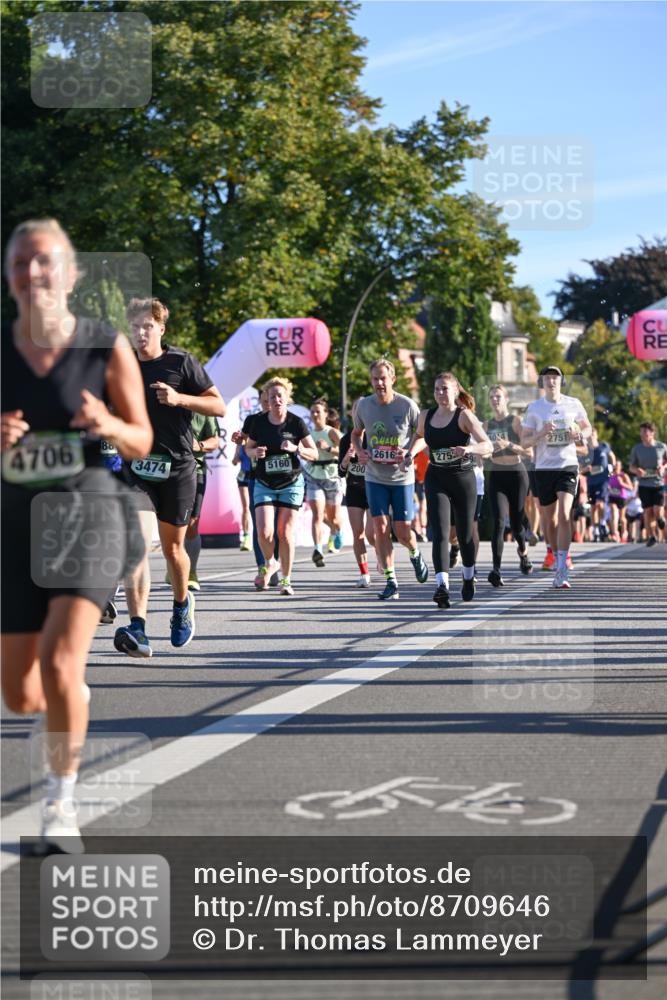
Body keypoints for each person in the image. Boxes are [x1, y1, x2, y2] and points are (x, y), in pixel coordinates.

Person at [1, 218, 152, 852]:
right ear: (10, 276)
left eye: (45, 261)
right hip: (14, 521)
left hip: (88, 512)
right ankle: (68, 696)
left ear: (71, 274)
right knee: (20, 693)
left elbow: (141, 438)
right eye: (20, 263)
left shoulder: (104, 346)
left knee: (63, 663)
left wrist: (108, 422)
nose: (33, 272)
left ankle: (59, 809)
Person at [114, 298, 225, 656]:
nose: (140, 332)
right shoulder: (123, 364)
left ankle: (181, 604)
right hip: (137, 470)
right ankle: (138, 628)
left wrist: (179, 399)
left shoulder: (181, 362)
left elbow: (218, 405)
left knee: (173, 550)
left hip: (178, 468)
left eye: (147, 326)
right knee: (136, 546)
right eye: (135, 326)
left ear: (161, 328)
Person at [408, 372, 492, 607]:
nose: (440, 393)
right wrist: (410, 453)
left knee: (464, 535)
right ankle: (442, 586)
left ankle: (468, 576)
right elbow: (420, 437)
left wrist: (468, 450)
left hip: (462, 477)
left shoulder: (464, 416)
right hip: (436, 477)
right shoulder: (426, 416)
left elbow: (488, 445)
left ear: (455, 391)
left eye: (445, 388)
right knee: (440, 533)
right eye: (437, 389)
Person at [351, 359, 429, 601]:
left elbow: (423, 436)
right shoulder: (364, 405)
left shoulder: (407, 406)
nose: (379, 383)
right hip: (375, 477)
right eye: (375, 379)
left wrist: (410, 453)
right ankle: (390, 580)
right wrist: (360, 450)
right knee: (380, 528)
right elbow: (356, 433)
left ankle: (415, 553)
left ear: (392, 379)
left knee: (403, 532)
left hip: (402, 478)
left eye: (383, 378)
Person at [244, 377, 318, 595]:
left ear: (287, 399)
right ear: (266, 398)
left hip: (291, 483)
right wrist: (254, 453)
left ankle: (286, 580)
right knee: (264, 532)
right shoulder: (258, 422)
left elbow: (313, 453)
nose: (276, 399)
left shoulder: (296, 423)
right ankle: (270, 561)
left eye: (280, 396)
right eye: (272, 396)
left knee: (284, 533)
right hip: (264, 482)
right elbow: (248, 448)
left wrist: (296, 449)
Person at [521, 366, 592, 590]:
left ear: (561, 380)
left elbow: (588, 428)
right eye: (548, 378)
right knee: (549, 521)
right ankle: (553, 551)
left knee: (564, 514)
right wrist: (541, 434)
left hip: (568, 465)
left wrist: (579, 435)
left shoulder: (573, 403)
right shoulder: (534, 408)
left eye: (555, 377)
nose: (552, 381)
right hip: (543, 468)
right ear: (542, 382)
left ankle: (562, 567)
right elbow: (524, 442)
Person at [484, 384, 533, 586]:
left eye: (498, 396)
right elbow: (483, 451)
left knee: (515, 524)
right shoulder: (486, 425)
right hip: (496, 474)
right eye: (492, 397)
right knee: (498, 521)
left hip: (516, 474)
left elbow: (529, 452)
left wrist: (509, 445)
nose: (495, 400)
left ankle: (523, 552)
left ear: (506, 400)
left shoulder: (515, 421)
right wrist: (484, 452)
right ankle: (496, 570)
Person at [180, 412, 220, 590]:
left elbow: (215, 440)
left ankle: (191, 572)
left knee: (192, 523)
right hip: (166, 467)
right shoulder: (166, 397)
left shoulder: (204, 407)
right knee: (168, 521)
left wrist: (200, 444)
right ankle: (175, 562)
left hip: (195, 469)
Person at [338, 399, 376, 587]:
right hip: (353, 489)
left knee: (372, 534)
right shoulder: (346, 439)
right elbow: (340, 471)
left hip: (373, 487)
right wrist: (346, 460)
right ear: (352, 414)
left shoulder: (375, 435)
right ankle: (364, 573)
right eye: (355, 410)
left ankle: (382, 554)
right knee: (357, 534)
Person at [303, 398, 343, 566]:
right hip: (314, 476)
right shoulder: (308, 434)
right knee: (317, 515)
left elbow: (348, 451)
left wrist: (328, 448)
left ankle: (336, 530)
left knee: (333, 518)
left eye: (318, 411)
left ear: (326, 414)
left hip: (332, 478)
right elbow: (303, 451)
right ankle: (318, 549)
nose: (315, 414)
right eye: (312, 411)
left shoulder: (332, 432)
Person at [629, 421, 667, 547]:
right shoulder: (637, 448)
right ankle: (652, 536)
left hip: (658, 483)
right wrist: (637, 470)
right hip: (644, 484)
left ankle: (661, 519)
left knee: (657, 510)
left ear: (652, 433)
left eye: (645, 431)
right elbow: (631, 467)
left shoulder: (661, 447)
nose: (642, 434)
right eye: (641, 431)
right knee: (648, 511)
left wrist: (662, 467)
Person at [581, 428, 615, 541]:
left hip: (603, 481)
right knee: (593, 506)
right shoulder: (586, 451)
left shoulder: (604, 446)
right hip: (591, 482)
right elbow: (580, 469)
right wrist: (586, 469)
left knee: (600, 504)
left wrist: (612, 466)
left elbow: (612, 455)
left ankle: (602, 522)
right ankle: (596, 529)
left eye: (593, 435)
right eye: (589, 435)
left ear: (596, 435)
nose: (591, 437)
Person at [231, 438, 253, 551]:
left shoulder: (256, 442)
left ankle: (258, 535)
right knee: (246, 507)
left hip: (256, 476)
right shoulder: (240, 446)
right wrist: (236, 456)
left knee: (256, 507)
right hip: (243, 476)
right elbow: (234, 462)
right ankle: (246, 537)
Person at [608, 460, 633, 542]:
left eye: (617, 465)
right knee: (614, 514)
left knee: (622, 518)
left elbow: (631, 487)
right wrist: (608, 488)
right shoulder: (610, 475)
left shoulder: (623, 475)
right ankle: (615, 534)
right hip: (612, 497)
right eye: (614, 465)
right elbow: (607, 485)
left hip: (621, 497)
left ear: (620, 467)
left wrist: (622, 483)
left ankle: (624, 532)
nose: (615, 467)